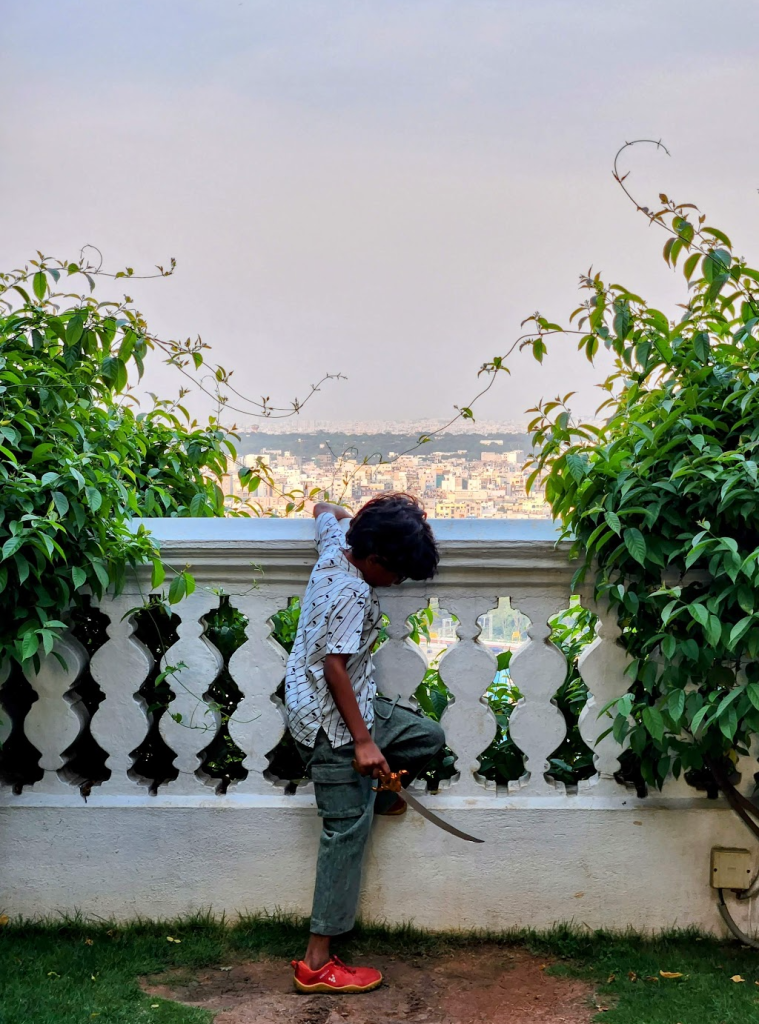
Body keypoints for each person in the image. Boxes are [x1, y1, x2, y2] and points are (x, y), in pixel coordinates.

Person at [286, 493, 444, 994]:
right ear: (374, 559)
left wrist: (355, 516)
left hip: (352, 703)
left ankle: (381, 793)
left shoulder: (336, 548)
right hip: (329, 727)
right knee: (345, 836)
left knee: (425, 737)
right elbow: (334, 667)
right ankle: (316, 962)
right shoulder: (353, 594)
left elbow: (324, 510)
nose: (397, 583)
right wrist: (363, 743)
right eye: (396, 573)